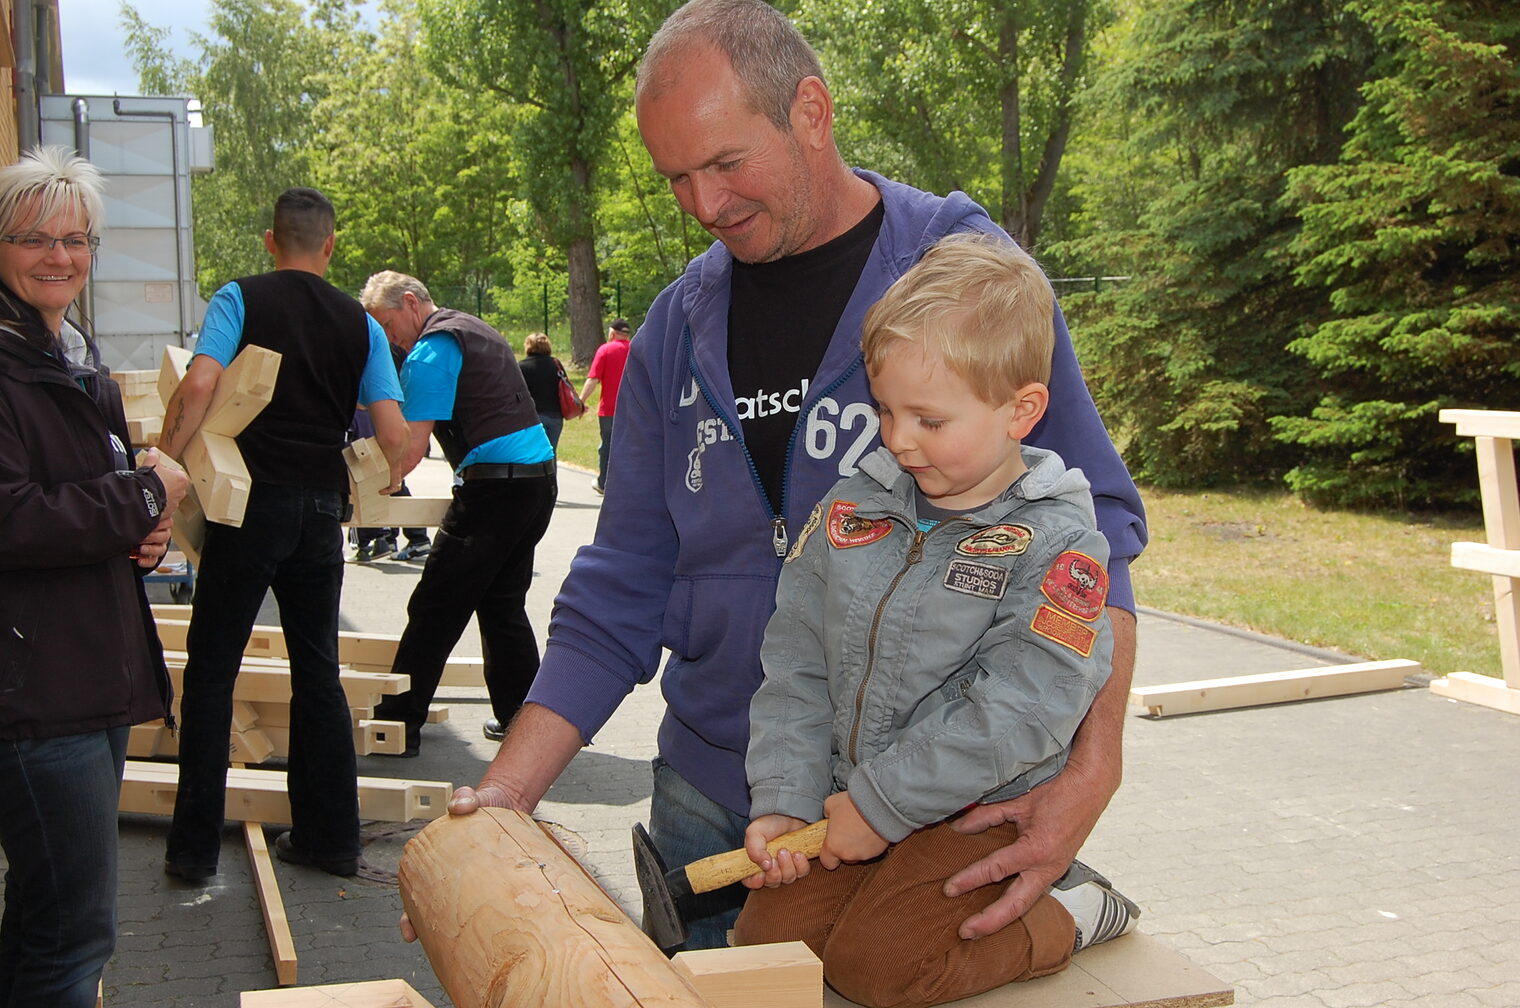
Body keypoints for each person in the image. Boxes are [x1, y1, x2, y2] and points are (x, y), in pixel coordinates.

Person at [446, 0, 1146, 951]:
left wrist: (1090, 769)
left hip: (921, 813)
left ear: (810, 112)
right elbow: (620, 590)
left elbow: (1095, 525)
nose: (704, 205)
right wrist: (504, 798)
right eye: (676, 178)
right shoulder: (670, 334)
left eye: (727, 163)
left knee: (890, 969)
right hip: (715, 799)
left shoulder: (961, 278)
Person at [732, 235, 1137, 1007]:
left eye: (928, 418)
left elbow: (1021, 709)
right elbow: (796, 663)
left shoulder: (1058, 544)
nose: (897, 438)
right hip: (850, 798)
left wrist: (887, 806)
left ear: (1021, 411)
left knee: (881, 969)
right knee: (765, 951)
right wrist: (785, 795)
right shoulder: (853, 507)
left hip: (975, 810)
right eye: (884, 409)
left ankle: (1073, 913)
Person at [159, 187, 409, 882]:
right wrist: (373, 482)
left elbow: (204, 381)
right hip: (319, 512)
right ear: (329, 245)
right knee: (318, 675)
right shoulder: (360, 325)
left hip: (246, 506)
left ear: (272, 241)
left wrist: (168, 466)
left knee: (211, 673)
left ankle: (192, 852)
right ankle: (330, 842)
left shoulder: (239, 298)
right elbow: (392, 436)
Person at [0, 145, 190, 1006]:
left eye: (75, 239)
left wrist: (141, 533)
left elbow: (93, 500)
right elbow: (14, 518)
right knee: (73, 937)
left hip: (85, 670)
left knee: (50, 920)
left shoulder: (72, 359)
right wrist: (147, 490)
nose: (58, 256)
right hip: (35, 688)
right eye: (33, 237)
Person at [361, 271, 557, 755]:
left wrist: (357, 492)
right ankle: (521, 723)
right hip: (535, 482)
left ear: (410, 303)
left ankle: (397, 725)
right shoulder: (472, 327)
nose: (389, 338)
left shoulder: (431, 348)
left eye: (387, 324)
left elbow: (407, 448)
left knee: (434, 607)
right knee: (501, 605)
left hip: (495, 489)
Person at [579, 317, 632, 494]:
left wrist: (580, 401)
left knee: (608, 446)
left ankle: (604, 483)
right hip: (633, 408)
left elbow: (593, 379)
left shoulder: (605, 350)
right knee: (632, 445)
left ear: (612, 332)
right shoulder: (636, 350)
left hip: (609, 409)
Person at [518, 331, 570, 452]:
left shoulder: (522, 366)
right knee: (551, 453)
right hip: (555, 415)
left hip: (532, 417)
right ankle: (551, 471)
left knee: (534, 453)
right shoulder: (556, 364)